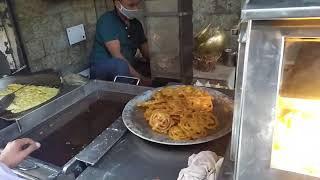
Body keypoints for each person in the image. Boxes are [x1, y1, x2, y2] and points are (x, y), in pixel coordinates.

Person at [90, 0, 152, 86]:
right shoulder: (107, 21)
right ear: (117, 4)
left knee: (148, 67)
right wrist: (141, 79)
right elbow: (117, 56)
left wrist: (162, 63)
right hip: (102, 69)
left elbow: (146, 52)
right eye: (131, 5)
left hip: (125, 66)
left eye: (137, 5)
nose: (136, 9)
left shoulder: (136, 24)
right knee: (120, 65)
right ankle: (127, 94)